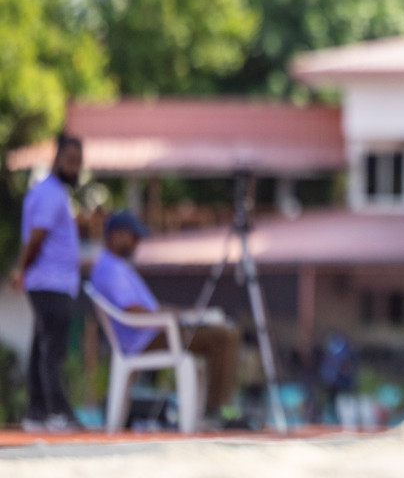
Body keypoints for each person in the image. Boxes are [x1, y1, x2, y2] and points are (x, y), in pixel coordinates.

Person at [89, 210, 243, 423]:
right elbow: (133, 310)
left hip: (152, 332)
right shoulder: (110, 269)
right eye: (134, 237)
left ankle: (209, 411)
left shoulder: (116, 266)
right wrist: (175, 318)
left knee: (219, 332)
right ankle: (215, 412)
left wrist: (184, 314)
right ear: (116, 236)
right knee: (225, 336)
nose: (137, 243)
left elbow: (149, 307)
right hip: (145, 339)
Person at [12, 134, 84, 432]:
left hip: (52, 281)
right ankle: (57, 412)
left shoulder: (49, 193)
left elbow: (31, 237)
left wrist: (22, 269)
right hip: (51, 282)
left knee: (41, 345)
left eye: (79, 163)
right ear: (56, 159)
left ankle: (37, 412)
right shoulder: (51, 194)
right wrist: (22, 268)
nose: (75, 168)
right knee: (52, 348)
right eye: (70, 161)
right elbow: (37, 237)